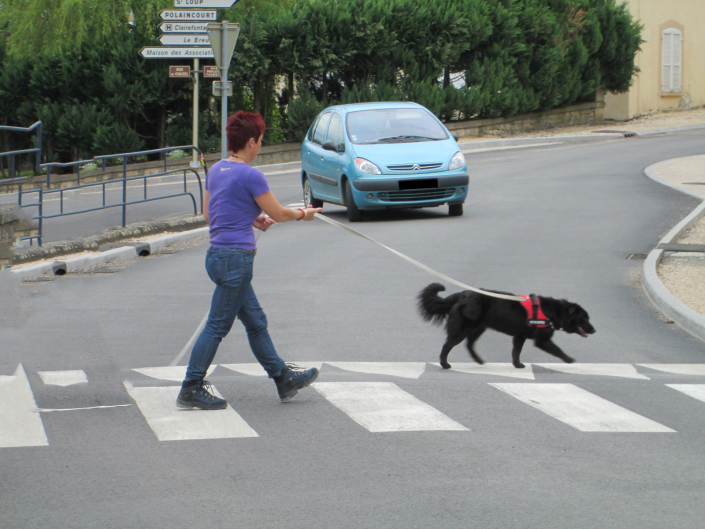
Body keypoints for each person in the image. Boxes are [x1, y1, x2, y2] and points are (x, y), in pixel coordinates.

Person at [177, 111, 323, 410]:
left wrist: (253, 217)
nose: (259, 147)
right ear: (252, 141)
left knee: (256, 322)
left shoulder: (216, 170)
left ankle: (283, 378)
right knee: (217, 327)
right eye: (260, 142)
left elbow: (210, 214)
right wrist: (303, 214)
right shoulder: (251, 174)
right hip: (236, 261)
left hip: (216, 256)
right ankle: (190, 387)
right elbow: (281, 214)